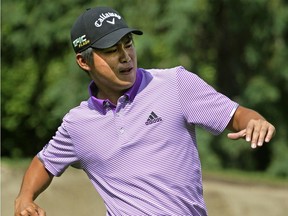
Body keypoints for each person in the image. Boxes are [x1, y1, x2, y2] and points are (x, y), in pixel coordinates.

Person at [14, 6, 276, 216]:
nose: (125, 56)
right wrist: (24, 198)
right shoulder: (77, 124)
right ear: (84, 61)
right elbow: (44, 162)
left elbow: (236, 115)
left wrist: (254, 120)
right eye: (111, 50)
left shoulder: (175, 84)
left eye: (127, 43)